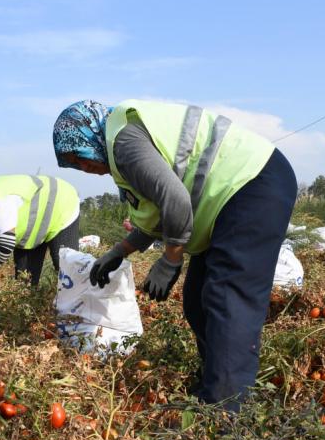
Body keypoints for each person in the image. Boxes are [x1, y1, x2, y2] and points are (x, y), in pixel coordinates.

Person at [52, 100, 297, 411]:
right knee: (196, 299)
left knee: (226, 296)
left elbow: (176, 200)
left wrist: (170, 259)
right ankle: (216, 383)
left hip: (253, 184)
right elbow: (155, 215)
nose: (85, 168)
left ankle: (225, 410)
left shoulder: (124, 143)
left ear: (90, 136)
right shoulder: (122, 148)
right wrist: (117, 252)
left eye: (80, 157)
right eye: (75, 165)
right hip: (237, 195)